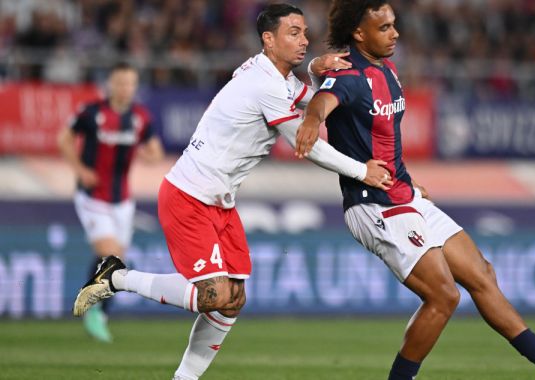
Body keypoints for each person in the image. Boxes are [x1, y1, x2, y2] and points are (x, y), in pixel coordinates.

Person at [71, 3, 391, 379]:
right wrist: (362, 171)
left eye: (305, 32)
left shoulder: (276, 76)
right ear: (268, 40)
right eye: (294, 33)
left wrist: (314, 70)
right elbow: (308, 145)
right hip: (188, 195)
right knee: (212, 296)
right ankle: (115, 277)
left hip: (220, 202)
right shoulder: (265, 84)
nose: (304, 40)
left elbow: (306, 97)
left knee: (232, 301)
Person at [295, 1, 535, 380]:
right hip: (374, 205)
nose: (395, 33)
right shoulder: (349, 74)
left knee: (482, 273)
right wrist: (311, 121)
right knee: (443, 296)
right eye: (384, 27)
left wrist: (407, 178)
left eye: (394, 25)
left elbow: (383, 139)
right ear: (359, 33)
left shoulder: (389, 69)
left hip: (403, 194)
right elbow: (322, 101)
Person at [58, 62, 165, 343]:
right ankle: (93, 310)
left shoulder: (140, 117)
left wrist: (148, 154)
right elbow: (64, 139)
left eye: (130, 83)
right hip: (93, 196)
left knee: (117, 261)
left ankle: (99, 311)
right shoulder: (92, 112)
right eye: (120, 82)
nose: (125, 88)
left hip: (122, 199)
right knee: (109, 254)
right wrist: (81, 170)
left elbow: (155, 150)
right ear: (110, 84)